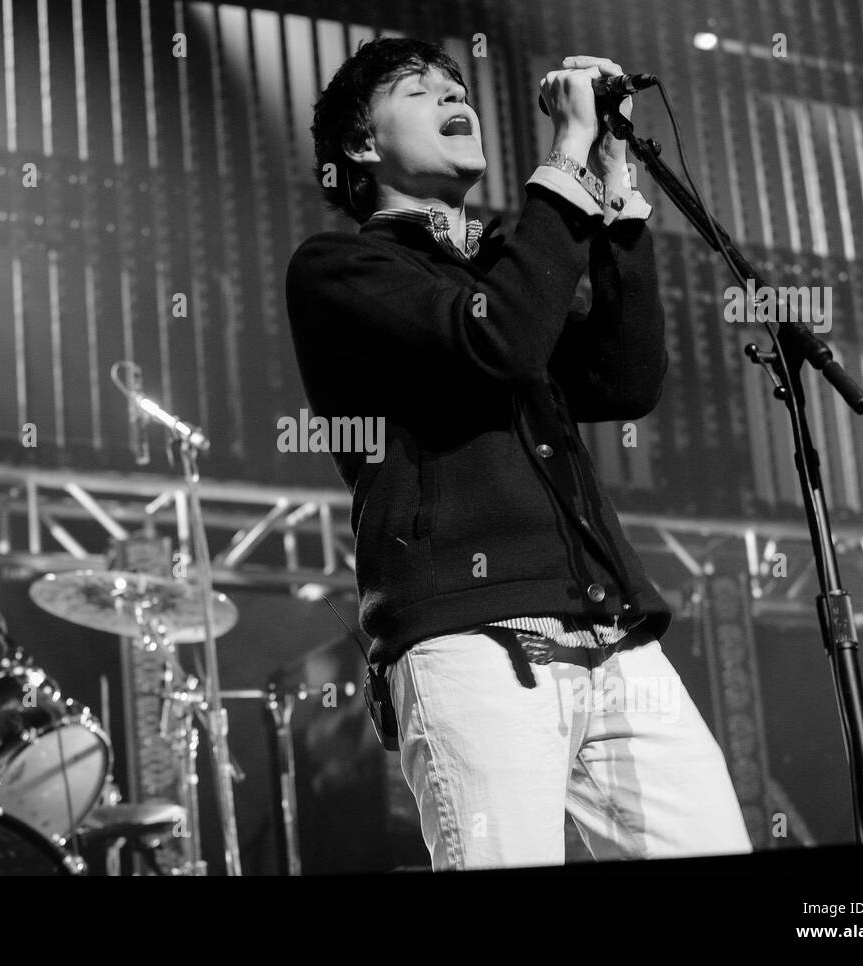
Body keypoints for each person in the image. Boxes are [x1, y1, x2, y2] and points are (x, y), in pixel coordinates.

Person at [286, 38, 752, 869]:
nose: (451, 94)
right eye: (420, 90)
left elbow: (624, 377)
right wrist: (565, 156)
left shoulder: (505, 265)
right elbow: (497, 340)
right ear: (361, 145)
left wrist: (614, 184)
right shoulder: (341, 269)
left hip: (612, 633)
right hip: (473, 641)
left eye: (456, 84)